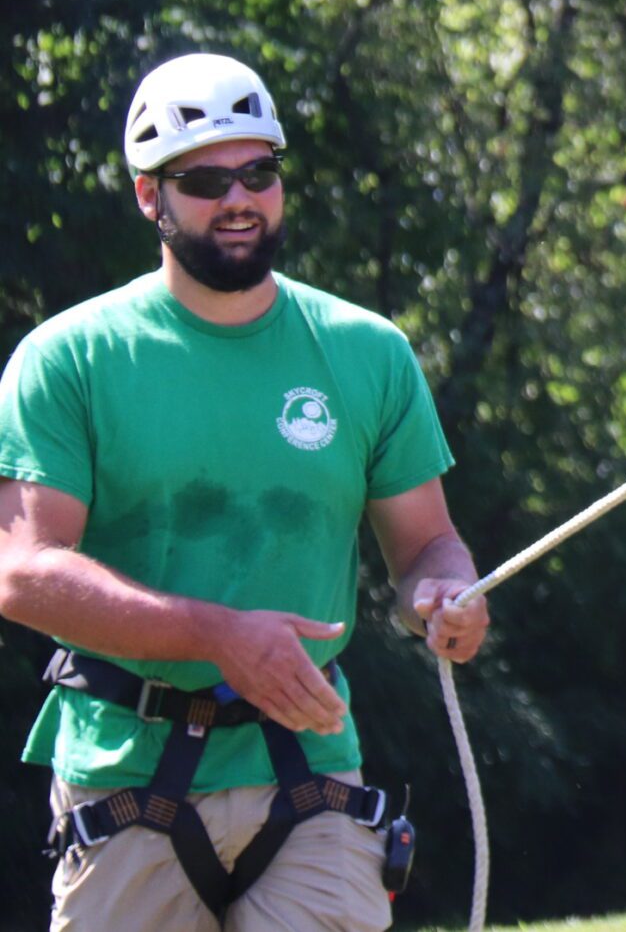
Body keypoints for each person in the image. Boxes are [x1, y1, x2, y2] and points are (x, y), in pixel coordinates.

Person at [0, 52, 492, 931]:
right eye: (203, 178)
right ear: (151, 197)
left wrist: (443, 595)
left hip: (311, 774)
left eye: (258, 171)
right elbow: (25, 573)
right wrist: (217, 636)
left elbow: (425, 542)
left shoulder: (367, 351)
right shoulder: (69, 358)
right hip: (125, 773)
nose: (239, 197)